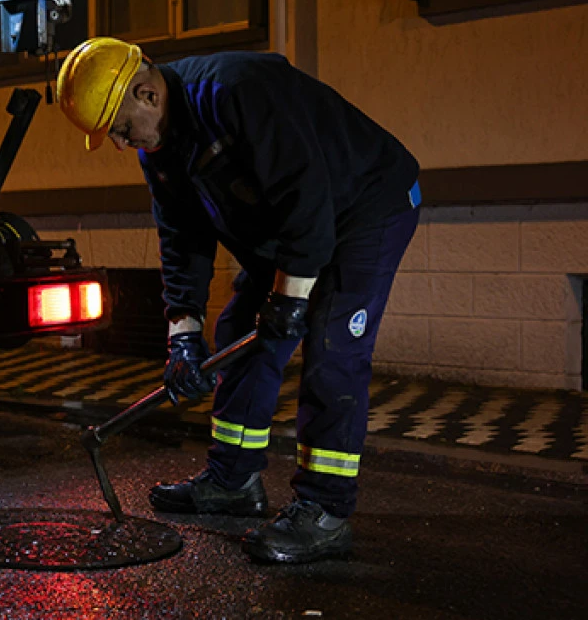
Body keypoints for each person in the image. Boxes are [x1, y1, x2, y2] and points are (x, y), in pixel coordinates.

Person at [56, 37, 420, 564]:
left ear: (147, 95)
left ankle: (325, 510)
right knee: (241, 334)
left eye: (120, 128)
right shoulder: (159, 150)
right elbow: (182, 239)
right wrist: (183, 336)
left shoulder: (239, 91)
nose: (119, 143)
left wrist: (290, 300)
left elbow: (305, 197)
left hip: (366, 204)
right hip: (297, 223)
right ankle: (233, 482)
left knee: (332, 347)